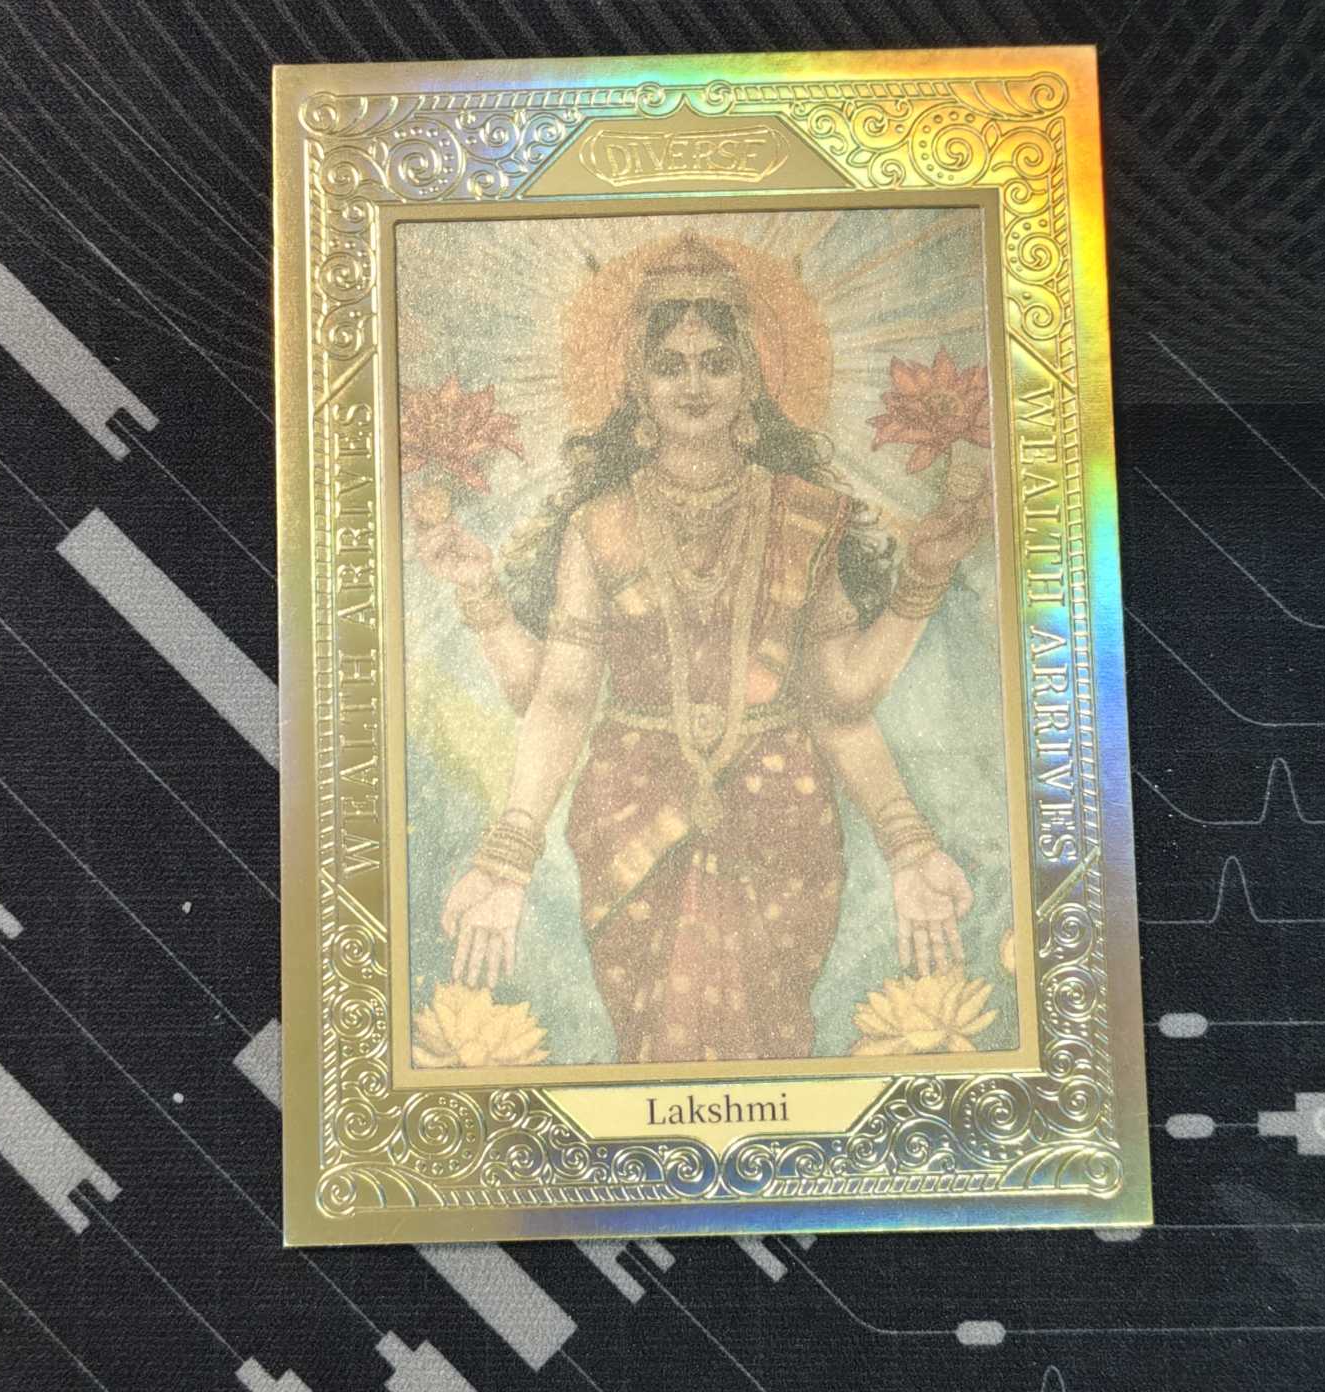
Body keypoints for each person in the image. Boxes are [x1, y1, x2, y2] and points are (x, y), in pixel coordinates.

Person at [412, 235, 986, 1063]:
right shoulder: (599, 524)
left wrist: (910, 844)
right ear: (637, 385)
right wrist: (506, 860)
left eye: (716, 363)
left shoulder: (807, 516)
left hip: (780, 815)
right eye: (669, 365)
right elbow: (562, 698)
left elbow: (842, 697)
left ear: (752, 380)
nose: (692, 384)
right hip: (631, 811)